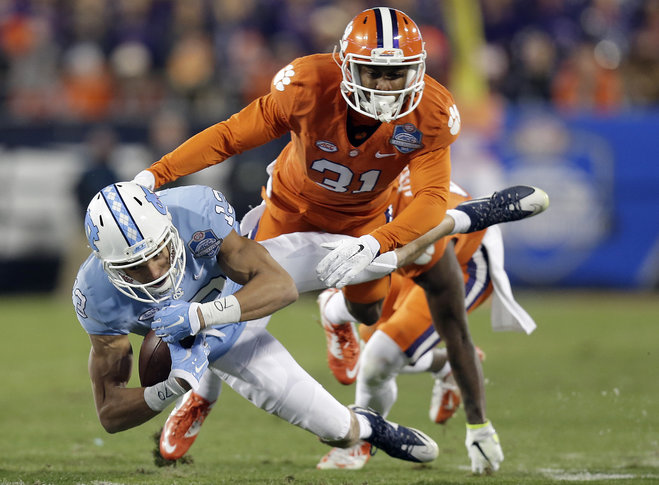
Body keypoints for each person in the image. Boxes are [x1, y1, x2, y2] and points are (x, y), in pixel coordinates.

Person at [130, 7, 544, 473]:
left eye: (398, 74)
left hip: (363, 225)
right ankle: (202, 394)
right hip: (286, 213)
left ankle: (337, 316)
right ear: (346, 64)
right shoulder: (307, 85)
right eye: (375, 72)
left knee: (368, 310)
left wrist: (376, 242)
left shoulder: (430, 112)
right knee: (230, 318)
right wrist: (155, 175)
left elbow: (430, 198)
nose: (387, 86)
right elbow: (232, 136)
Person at [72, 181, 441, 465]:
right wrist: (170, 387)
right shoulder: (96, 296)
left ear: (170, 228)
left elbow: (279, 285)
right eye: (134, 266)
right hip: (216, 345)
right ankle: (372, 426)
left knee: (363, 254)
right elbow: (109, 412)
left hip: (243, 284)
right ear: (106, 264)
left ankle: (453, 224)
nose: (154, 272)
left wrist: (200, 314)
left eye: (159, 253)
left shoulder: (194, 211)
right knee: (340, 431)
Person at [316, 181, 538, 470]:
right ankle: (439, 363)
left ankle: (361, 442)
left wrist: (478, 427)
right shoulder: (366, 190)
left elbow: (456, 333)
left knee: (379, 356)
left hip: (461, 259)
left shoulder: (427, 235)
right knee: (372, 333)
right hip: (400, 242)